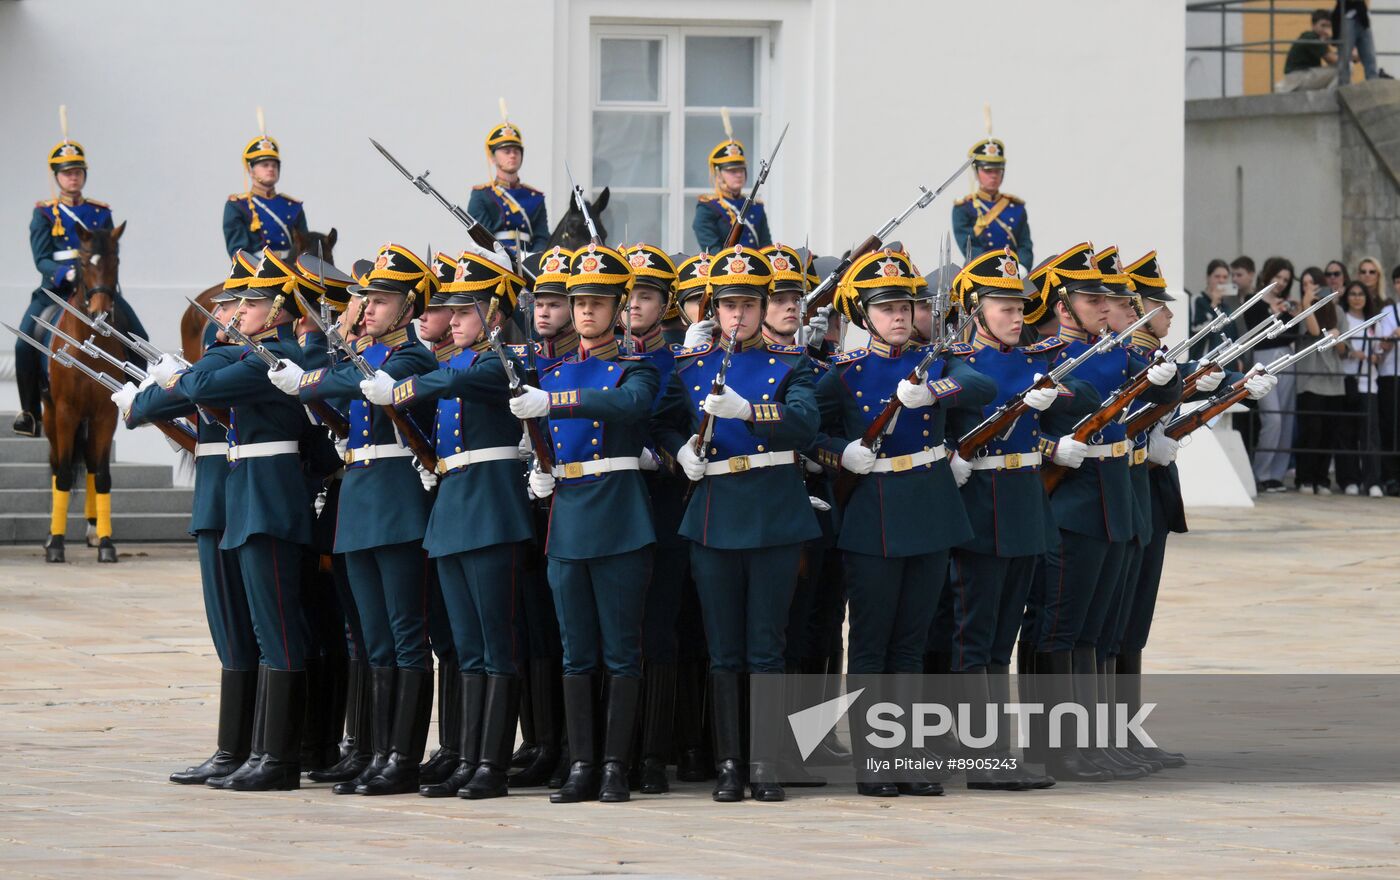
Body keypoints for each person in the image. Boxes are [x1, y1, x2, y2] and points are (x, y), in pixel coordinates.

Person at [144, 249, 337, 792]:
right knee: (260, 627)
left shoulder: (267, 360)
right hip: (252, 499)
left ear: (277, 311)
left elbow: (201, 388)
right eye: (237, 304)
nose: (234, 314)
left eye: (250, 304)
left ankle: (278, 757)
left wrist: (200, 357)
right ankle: (253, 749)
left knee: (277, 630)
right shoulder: (251, 357)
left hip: (270, 504)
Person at [816, 247, 997, 796]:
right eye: (886, 307)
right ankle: (874, 758)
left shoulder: (934, 362)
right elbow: (808, 430)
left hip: (930, 508)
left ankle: (909, 754)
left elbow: (982, 386)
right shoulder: (845, 374)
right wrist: (838, 455)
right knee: (872, 641)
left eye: (906, 305)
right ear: (862, 315)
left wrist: (933, 391)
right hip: (873, 513)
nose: (899, 316)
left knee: (912, 644)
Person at [363, 248, 534, 800]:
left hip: (490, 509)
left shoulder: (497, 363)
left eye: (466, 310)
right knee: (466, 644)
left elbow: (451, 383)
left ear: (496, 315)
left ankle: (492, 762)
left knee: (494, 642)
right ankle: (466, 755)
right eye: (451, 311)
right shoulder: (453, 364)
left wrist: (400, 390)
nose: (453, 319)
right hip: (456, 509)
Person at [654, 244, 820, 803]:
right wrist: (681, 450)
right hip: (715, 512)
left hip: (773, 509)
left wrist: (750, 412)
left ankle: (765, 763)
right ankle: (729, 762)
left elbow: (804, 422)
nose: (740, 315)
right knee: (724, 648)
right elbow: (660, 422)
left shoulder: (790, 364)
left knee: (766, 646)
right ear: (714, 310)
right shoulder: (689, 369)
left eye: (750, 304)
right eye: (730, 305)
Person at [280, 244, 441, 796]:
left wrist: (309, 376)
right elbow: (339, 393)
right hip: (361, 500)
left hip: (398, 504)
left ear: (408, 306)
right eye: (365, 299)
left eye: (382, 299)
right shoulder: (367, 356)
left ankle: (402, 756)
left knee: (404, 636)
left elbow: (348, 381)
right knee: (370, 638)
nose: (368, 308)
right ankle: (373, 751)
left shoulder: (412, 358)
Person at [1022, 242, 1180, 782]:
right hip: (1071, 503)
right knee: (1059, 628)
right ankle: (1056, 746)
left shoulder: (1110, 351)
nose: (1107, 307)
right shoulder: (1044, 359)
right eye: (1093, 298)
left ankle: (1092, 741)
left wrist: (1166, 375)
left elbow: (1166, 390)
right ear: (1063, 306)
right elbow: (1030, 424)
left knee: (1094, 629)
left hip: (1112, 500)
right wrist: (1051, 449)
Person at [511, 243, 660, 804]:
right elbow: (542, 436)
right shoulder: (549, 370)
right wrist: (539, 470)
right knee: (577, 651)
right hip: (570, 514)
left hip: (619, 514)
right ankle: (581, 763)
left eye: (598, 303)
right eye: (580, 304)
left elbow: (627, 407)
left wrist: (553, 403)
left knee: (621, 650)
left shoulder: (634, 366)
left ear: (619, 308)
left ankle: (616, 765)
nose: (587, 313)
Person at [112, 261, 257, 786]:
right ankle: (238, 745)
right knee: (231, 632)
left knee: (241, 630)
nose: (221, 314)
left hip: (231, 500)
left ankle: (245, 747)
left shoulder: (238, 357)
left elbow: (181, 396)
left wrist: (146, 400)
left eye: (229, 304)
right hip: (221, 499)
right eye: (223, 305)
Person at [16, 128, 148, 437]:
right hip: (57, 291)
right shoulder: (44, 214)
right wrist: (66, 274)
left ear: (84, 175)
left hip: (97, 289)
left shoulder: (100, 212)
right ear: (57, 177)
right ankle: (30, 412)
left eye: (77, 172)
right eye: (66, 173)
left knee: (139, 336)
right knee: (24, 342)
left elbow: (111, 251)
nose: (72, 178)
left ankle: (141, 399)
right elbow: (41, 258)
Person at [1245, 257, 1299, 492]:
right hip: (1264, 359)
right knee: (1272, 417)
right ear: (1268, 275)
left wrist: (1290, 311)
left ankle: (1276, 474)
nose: (1281, 282)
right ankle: (1261, 472)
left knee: (1286, 417)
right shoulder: (1254, 300)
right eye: (1278, 277)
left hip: (1287, 356)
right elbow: (1257, 330)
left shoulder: (1287, 303)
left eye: (1286, 279)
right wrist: (1273, 312)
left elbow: (1293, 333)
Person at [1294, 267, 1347, 494]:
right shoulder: (1301, 311)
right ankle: (1304, 478)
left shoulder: (1337, 311)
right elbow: (1314, 332)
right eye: (1304, 284)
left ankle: (1322, 478)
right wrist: (1307, 304)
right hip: (1309, 378)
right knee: (1311, 430)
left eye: (1313, 284)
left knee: (1328, 432)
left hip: (1333, 380)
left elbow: (1344, 349)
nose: (1309, 288)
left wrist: (1337, 336)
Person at [467, 115, 548, 257]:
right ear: (492, 157)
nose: (512, 155)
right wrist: (510, 256)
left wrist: (532, 258)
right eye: (506, 151)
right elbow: (483, 238)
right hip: (496, 261)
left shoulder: (535, 197)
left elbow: (542, 237)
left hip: (529, 260)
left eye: (516, 151)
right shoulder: (481, 195)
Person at [223, 126, 308, 259]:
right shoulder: (237, 205)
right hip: (256, 272)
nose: (271, 169)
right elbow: (238, 252)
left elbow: (304, 247)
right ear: (251, 171)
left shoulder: (293, 206)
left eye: (274, 165)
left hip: (291, 269)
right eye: (265, 165)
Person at [951, 138, 1033, 268]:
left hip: (1013, 272)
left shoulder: (1016, 208)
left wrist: (1021, 267)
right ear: (976, 171)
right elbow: (969, 248)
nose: (993, 175)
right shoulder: (964, 208)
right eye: (988, 170)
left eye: (997, 170)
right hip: (979, 270)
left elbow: (1025, 245)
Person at [1336, 280, 1384, 495]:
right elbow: (1339, 349)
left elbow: (1381, 351)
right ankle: (1349, 480)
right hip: (1347, 380)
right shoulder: (1344, 319)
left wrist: (1376, 356)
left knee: (1369, 435)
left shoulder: (1374, 322)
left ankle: (1373, 481)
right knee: (1346, 433)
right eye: (1353, 294)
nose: (1356, 297)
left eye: (1360, 294)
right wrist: (1352, 353)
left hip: (1368, 383)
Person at [692, 138, 772, 252]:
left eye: (741, 170)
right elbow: (713, 251)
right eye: (732, 171)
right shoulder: (708, 207)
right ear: (718, 174)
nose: (739, 175)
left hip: (757, 267)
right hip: (725, 268)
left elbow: (766, 246)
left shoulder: (755, 206)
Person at [1277, 9, 1339, 92]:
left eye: (1328, 26)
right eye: (1323, 25)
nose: (1325, 29)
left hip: (1298, 78)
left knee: (1341, 68)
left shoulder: (1313, 38)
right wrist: (1353, 54)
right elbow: (1333, 60)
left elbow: (1331, 61)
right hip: (1297, 79)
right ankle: (1328, 100)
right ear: (1313, 25)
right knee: (1344, 69)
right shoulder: (1311, 37)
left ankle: (1326, 98)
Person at [1189, 258, 1237, 360]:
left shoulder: (1226, 307)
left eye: (1225, 277)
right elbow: (1197, 332)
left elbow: (1232, 335)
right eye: (1217, 276)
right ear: (1208, 278)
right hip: (1203, 362)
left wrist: (1238, 359)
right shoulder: (1197, 300)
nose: (1221, 280)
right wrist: (1214, 306)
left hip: (1224, 363)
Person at [1334, 0, 1379, 84]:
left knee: (1370, 56)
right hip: (1347, 16)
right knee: (1345, 58)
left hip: (1362, 17)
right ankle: (1344, 87)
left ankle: (1374, 85)